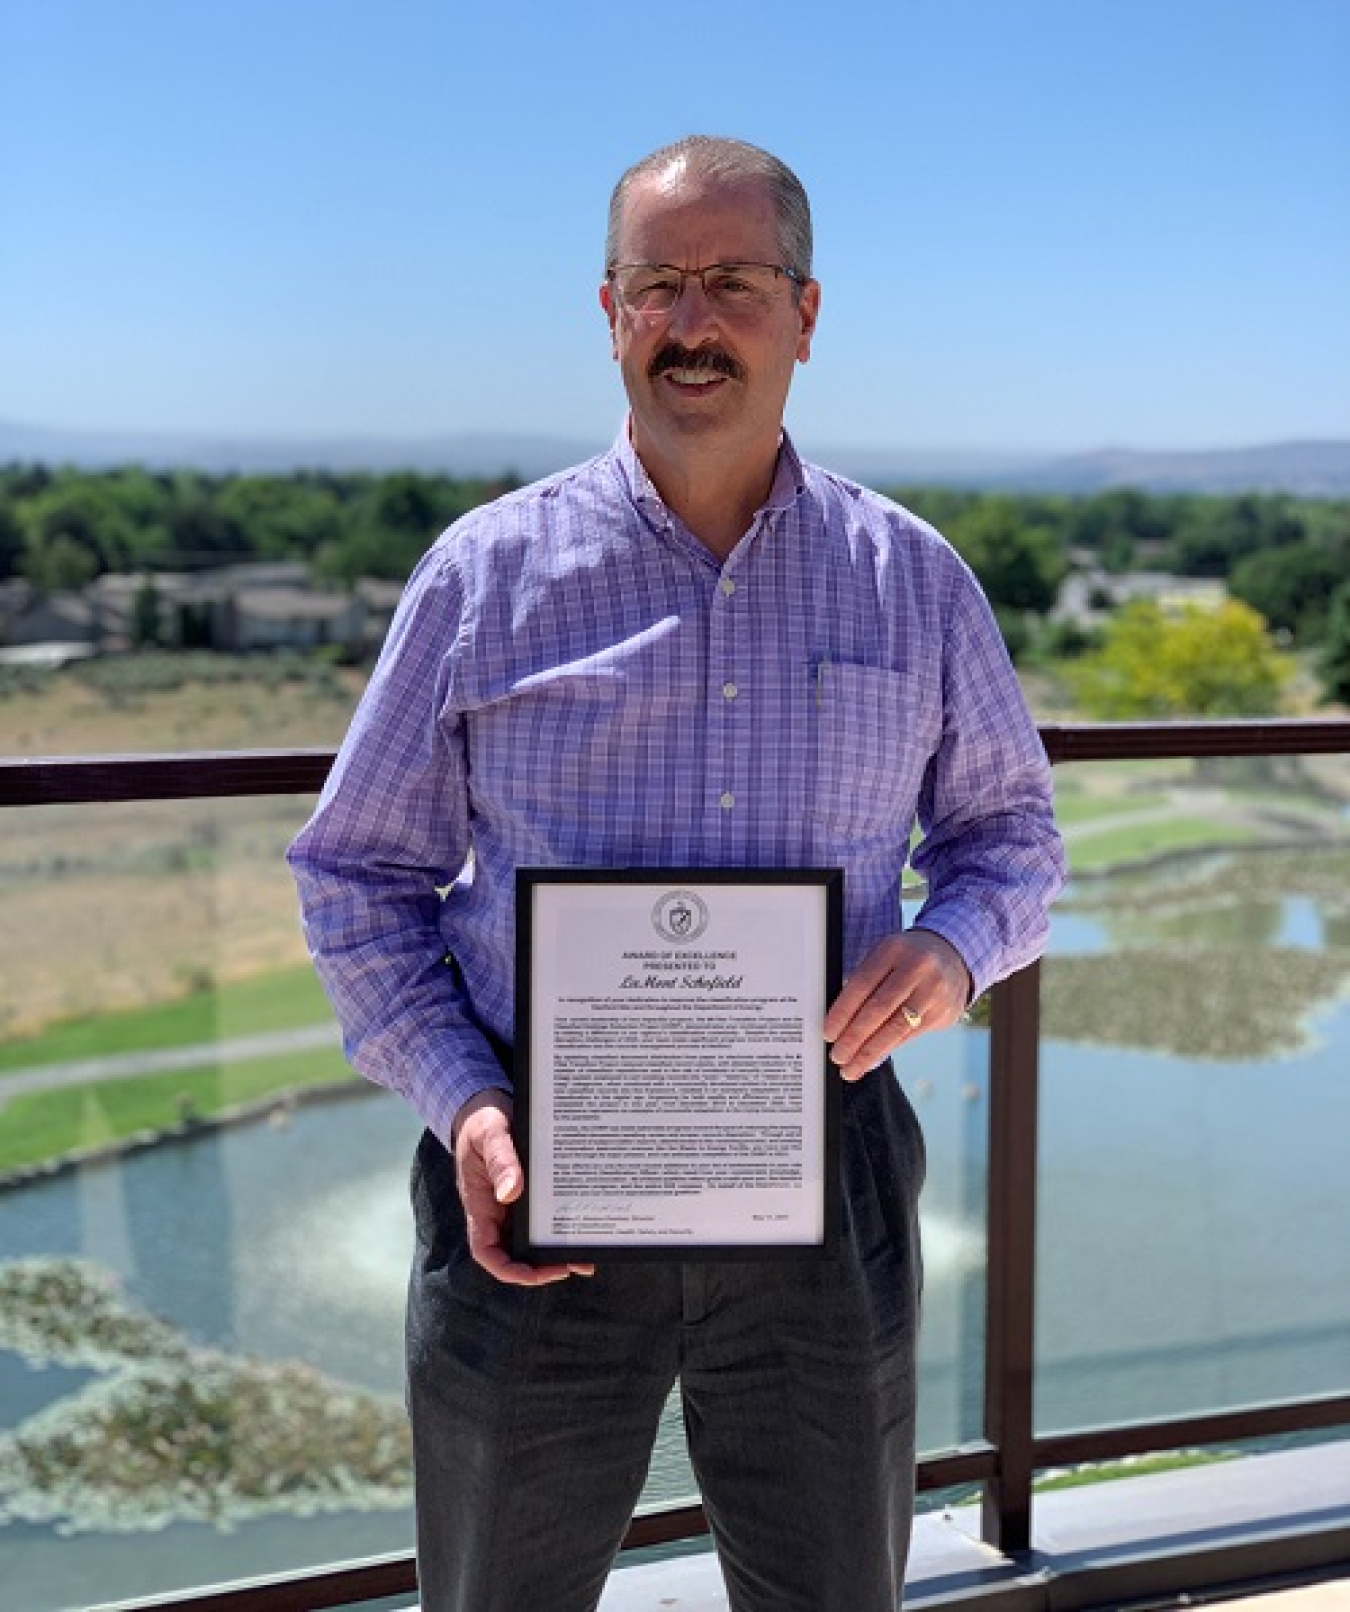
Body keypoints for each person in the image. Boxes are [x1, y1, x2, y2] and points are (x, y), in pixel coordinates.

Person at [288, 134, 1064, 1612]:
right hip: (530, 1178)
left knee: (830, 1590)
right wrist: (465, 1102)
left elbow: (1011, 840)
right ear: (607, 311)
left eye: (732, 282)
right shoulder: (481, 576)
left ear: (806, 313)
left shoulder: (912, 579)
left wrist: (953, 947)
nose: (692, 322)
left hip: (820, 1165)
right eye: (657, 285)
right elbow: (358, 877)